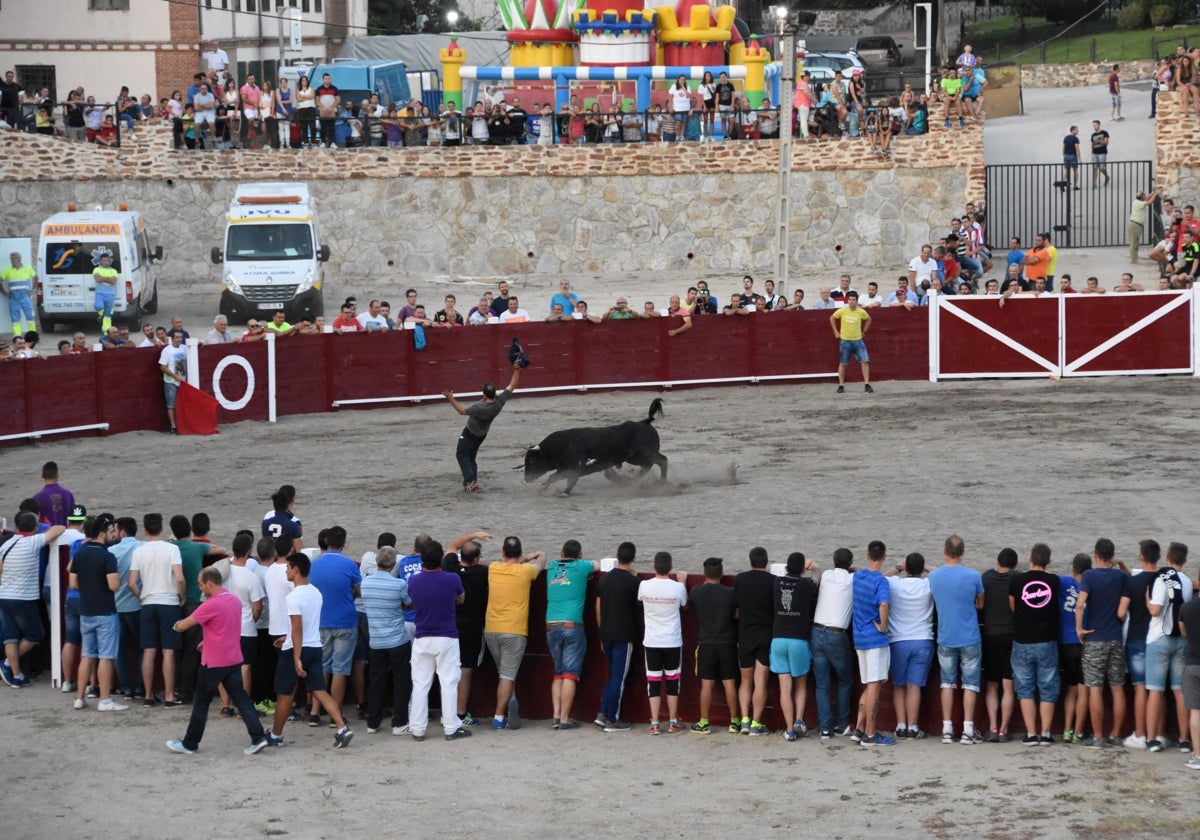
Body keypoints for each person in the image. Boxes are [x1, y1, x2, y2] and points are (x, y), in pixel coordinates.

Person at [165, 567, 269, 755]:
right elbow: (224, 626)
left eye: (201, 584)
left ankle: (190, 743)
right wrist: (208, 639)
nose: (200, 588)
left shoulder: (210, 605)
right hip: (233, 658)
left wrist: (173, 625)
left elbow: (184, 625)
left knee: (201, 702)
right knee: (242, 700)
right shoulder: (234, 601)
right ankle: (258, 736)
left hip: (214, 662)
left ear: (210, 583)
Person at [265, 553, 354, 748]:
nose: (286, 571)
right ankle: (341, 727)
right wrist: (288, 637)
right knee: (319, 690)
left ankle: (276, 735)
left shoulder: (293, 597)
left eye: (288, 567)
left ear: (296, 570)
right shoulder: (316, 592)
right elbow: (305, 625)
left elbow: (297, 628)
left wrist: (296, 657)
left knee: (284, 694)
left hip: (296, 650)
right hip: (314, 646)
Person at [407, 539, 471, 741]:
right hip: (446, 636)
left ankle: (417, 728)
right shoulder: (452, 579)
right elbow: (461, 599)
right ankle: (451, 727)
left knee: (420, 683)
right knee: (449, 682)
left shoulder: (414, 581)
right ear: (441, 559)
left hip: (423, 636)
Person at [484, 536, 546, 730]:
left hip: (492, 629)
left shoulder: (493, 568)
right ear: (520, 554)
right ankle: (499, 716)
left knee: (505, 673)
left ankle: (511, 707)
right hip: (514, 630)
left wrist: (521, 557)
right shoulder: (526, 571)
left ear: (502, 553)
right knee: (508, 675)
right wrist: (536, 554)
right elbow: (541, 562)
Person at [928, 534, 985, 744]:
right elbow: (980, 603)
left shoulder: (934, 576)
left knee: (947, 683)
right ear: (963, 552)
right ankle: (968, 730)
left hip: (945, 636)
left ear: (944, 551)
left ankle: (947, 728)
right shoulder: (974, 576)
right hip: (969, 636)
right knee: (970, 684)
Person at [69, 512, 127, 712]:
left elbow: (73, 584)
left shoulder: (80, 553)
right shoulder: (107, 556)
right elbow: (113, 585)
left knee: (87, 655)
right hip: (105, 612)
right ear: (102, 533)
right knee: (106, 656)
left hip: (86, 611)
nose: (113, 534)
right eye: (111, 531)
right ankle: (104, 699)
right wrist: (118, 581)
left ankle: (79, 698)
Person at [0, 512, 66, 688]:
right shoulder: (33, 542)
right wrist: (44, 529)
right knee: (36, 634)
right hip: (23, 598)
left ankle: (16, 675)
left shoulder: (6, 545)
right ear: (35, 528)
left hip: (4, 595)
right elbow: (59, 528)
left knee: (11, 637)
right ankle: (7, 663)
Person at [1075, 538, 1129, 748]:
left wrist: (1079, 629)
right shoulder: (1119, 577)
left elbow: (1080, 605)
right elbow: (1130, 580)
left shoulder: (1089, 575)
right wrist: (1122, 563)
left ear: (1096, 555)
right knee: (1117, 688)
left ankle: (1098, 736)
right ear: (1112, 556)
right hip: (1115, 638)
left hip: (1095, 638)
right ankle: (1115, 734)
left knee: (1095, 688)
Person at [305, 526, 361, 728]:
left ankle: (314, 712)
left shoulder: (313, 565)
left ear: (326, 540)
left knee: (322, 666)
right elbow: (358, 589)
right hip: (344, 621)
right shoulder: (349, 564)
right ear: (344, 543)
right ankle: (334, 713)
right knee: (340, 668)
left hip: (321, 621)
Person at [128, 513, 185, 706]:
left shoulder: (139, 551)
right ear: (161, 529)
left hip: (148, 602)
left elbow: (132, 583)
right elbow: (179, 578)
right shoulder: (171, 549)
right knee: (168, 651)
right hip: (169, 602)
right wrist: (182, 597)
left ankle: (148, 694)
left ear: (145, 529)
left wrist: (142, 595)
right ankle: (169, 695)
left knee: (149, 650)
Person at [1008, 543, 1061, 745]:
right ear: (1048, 561)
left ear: (1030, 558)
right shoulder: (1054, 581)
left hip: (1022, 640)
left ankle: (1031, 734)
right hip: (1047, 641)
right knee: (1047, 688)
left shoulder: (1017, 580)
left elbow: (1013, 606)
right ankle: (1046, 734)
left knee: (1025, 688)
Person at [442, 361, 521, 493]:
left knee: (461, 454)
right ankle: (473, 481)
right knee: (471, 457)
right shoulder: (500, 401)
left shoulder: (480, 407)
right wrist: (517, 370)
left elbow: (462, 412)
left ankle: (470, 481)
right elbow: (513, 384)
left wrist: (450, 398)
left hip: (470, 433)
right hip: (482, 434)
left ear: (484, 394)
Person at [544, 540, 599, 729]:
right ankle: (565, 719)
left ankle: (556, 716)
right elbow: (601, 565)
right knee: (569, 674)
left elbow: (541, 559)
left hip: (551, 624)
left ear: (561, 553)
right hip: (571, 624)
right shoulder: (582, 566)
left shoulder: (552, 566)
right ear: (580, 555)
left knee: (558, 673)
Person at [1145, 542, 1191, 752]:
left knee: (1155, 691)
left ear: (1167, 559)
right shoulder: (1188, 582)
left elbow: (1155, 611)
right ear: (1184, 560)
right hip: (1181, 639)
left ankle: (1152, 739)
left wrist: (1147, 600)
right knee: (1179, 691)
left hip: (1159, 638)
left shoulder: (1162, 579)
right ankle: (1183, 739)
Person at [638, 551, 688, 734]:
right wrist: (682, 581)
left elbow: (639, 599)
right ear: (671, 568)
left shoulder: (644, 585)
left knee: (654, 681)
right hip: (672, 640)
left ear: (653, 568)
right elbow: (684, 602)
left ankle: (655, 722)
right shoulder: (677, 587)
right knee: (673, 681)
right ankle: (673, 720)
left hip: (652, 640)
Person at [688, 556, 738, 734]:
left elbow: (690, 605)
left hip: (706, 642)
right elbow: (737, 614)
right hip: (728, 642)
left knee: (706, 684)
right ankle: (734, 722)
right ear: (722, 573)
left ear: (704, 573)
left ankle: (704, 722)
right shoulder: (731, 593)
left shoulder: (696, 592)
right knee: (729, 682)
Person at [851, 541, 894, 746]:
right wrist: (884, 625)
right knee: (875, 686)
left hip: (859, 638)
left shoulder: (858, 577)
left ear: (867, 555)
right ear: (884, 557)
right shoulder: (882, 582)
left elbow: (856, 571)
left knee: (869, 684)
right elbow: (883, 603)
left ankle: (859, 729)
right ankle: (870, 733)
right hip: (875, 639)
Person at [773, 552, 819, 742]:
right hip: (799, 640)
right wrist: (813, 565)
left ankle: (789, 729)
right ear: (802, 570)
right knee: (800, 684)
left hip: (778, 640)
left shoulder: (776, 583)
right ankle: (799, 720)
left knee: (785, 688)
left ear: (785, 569)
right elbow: (817, 575)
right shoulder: (807, 584)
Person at [888, 551, 934, 739]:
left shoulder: (895, 583)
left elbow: (879, 577)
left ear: (906, 568)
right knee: (914, 686)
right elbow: (944, 573)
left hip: (898, 640)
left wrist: (898, 567)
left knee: (899, 685)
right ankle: (913, 727)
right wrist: (927, 568)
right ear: (921, 570)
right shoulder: (928, 584)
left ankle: (900, 725)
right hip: (922, 639)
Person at [595, 541, 640, 732]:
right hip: (624, 634)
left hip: (607, 633)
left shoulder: (604, 580)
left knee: (612, 675)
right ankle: (612, 720)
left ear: (617, 556)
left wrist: (601, 632)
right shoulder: (634, 582)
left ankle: (602, 713)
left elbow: (598, 607)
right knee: (618, 678)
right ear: (634, 559)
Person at [811, 547, 855, 739]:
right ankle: (841, 724)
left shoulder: (827, 575)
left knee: (822, 684)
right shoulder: (853, 580)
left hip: (816, 630)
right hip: (837, 635)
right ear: (850, 564)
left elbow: (815, 568)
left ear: (833, 561)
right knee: (845, 680)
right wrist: (854, 570)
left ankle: (825, 728)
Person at [733, 546, 776, 736]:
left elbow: (735, 609)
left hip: (746, 634)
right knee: (760, 681)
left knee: (745, 680)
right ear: (766, 563)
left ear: (750, 561)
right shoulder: (773, 581)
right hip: (765, 634)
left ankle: (743, 720)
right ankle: (756, 724)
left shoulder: (741, 579)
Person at [981, 548, 1017, 743]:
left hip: (992, 636)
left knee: (992, 685)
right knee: (1008, 685)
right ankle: (1004, 730)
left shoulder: (986, 577)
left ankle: (993, 727)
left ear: (998, 561)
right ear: (1015, 564)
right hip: (1012, 635)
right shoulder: (1018, 578)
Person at [831, 290, 872, 394]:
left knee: (864, 362)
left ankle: (867, 384)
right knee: (843, 363)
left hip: (858, 340)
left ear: (857, 301)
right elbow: (832, 318)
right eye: (850, 299)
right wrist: (835, 331)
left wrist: (864, 331)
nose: (852, 302)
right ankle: (841, 385)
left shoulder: (860, 311)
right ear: (847, 300)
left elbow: (869, 319)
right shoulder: (843, 310)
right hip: (845, 340)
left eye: (854, 300)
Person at [1179, 579, 1200, 769]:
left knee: (1195, 711)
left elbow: (1183, 631)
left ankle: (1198, 755)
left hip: (1194, 662)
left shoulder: (1187, 608)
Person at [1, 251, 37, 339]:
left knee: (30, 317)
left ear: (19, 259)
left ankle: (33, 336)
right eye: (11, 259)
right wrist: (5, 293)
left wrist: (33, 290)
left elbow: (36, 278)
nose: (12, 260)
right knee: (15, 319)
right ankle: (17, 337)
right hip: (14, 298)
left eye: (14, 258)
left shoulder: (27, 268)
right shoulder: (8, 270)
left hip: (25, 297)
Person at [159, 331, 187, 435]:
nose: (179, 339)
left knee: (179, 404)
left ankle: (180, 425)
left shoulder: (184, 348)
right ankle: (173, 426)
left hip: (182, 381)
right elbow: (162, 367)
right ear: (173, 338)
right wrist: (174, 376)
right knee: (171, 405)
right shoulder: (167, 350)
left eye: (180, 337)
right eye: (177, 337)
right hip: (171, 381)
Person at [33, 460, 74, 527]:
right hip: (64, 533)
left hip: (46, 535)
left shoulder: (37, 498)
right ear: (57, 475)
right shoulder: (68, 495)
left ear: (42, 476)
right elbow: (72, 518)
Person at [1129, 189, 1160, 263]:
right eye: (1144, 195)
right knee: (1134, 243)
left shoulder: (1138, 201)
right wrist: (1156, 194)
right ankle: (1134, 260)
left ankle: (1134, 258)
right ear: (1141, 197)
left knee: (1135, 242)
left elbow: (1146, 198)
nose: (1145, 196)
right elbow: (1149, 202)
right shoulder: (1139, 203)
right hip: (1135, 224)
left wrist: (1153, 193)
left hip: (1135, 224)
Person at [92, 252, 118, 331]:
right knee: (98, 306)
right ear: (100, 261)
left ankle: (106, 331)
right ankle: (100, 314)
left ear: (109, 261)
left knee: (108, 315)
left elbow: (113, 281)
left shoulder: (113, 271)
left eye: (107, 260)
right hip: (100, 293)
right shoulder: (97, 269)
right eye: (104, 260)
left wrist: (102, 278)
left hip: (110, 294)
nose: (106, 262)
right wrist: (108, 279)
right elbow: (97, 278)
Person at [1090, 120, 1110, 189]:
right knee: (1095, 168)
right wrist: (1092, 152)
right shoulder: (1093, 135)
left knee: (1101, 168)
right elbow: (1092, 144)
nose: (1094, 126)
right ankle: (1094, 184)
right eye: (1093, 125)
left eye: (1095, 125)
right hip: (1094, 153)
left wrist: (1099, 141)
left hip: (1102, 153)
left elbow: (1106, 143)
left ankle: (1106, 176)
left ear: (1099, 125)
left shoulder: (1104, 133)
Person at [1061, 125, 1081, 190]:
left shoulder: (1066, 138)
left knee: (1066, 170)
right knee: (1075, 171)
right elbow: (1077, 149)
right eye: (1076, 130)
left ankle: (1062, 184)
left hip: (1066, 156)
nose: (1077, 131)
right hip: (1073, 156)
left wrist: (1064, 155)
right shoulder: (1075, 138)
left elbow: (1063, 148)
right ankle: (1075, 186)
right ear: (1072, 130)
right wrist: (1080, 159)